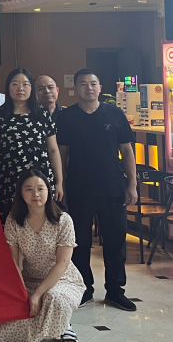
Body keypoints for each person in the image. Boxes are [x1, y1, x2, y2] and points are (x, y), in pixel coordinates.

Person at [55, 69, 138, 311]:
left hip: (112, 187)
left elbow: (127, 151)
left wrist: (132, 184)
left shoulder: (115, 114)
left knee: (115, 241)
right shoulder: (67, 117)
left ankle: (115, 291)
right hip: (78, 188)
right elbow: (62, 154)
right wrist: (61, 184)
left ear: (100, 87)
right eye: (83, 84)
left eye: (93, 83)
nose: (88, 88)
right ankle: (84, 289)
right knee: (79, 242)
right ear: (76, 89)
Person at [0, 169, 85, 342]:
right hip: (30, 279)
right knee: (6, 319)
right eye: (29, 189)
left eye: (40, 189)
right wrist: (22, 292)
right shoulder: (13, 221)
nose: (35, 194)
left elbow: (62, 264)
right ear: (21, 193)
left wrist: (37, 294)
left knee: (54, 298)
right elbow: (14, 262)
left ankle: (64, 327)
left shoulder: (63, 220)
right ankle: (52, 323)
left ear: (48, 191)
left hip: (62, 280)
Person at [0, 68, 64, 223]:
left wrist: (59, 182)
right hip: (8, 178)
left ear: (31, 88)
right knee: (11, 223)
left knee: (42, 221)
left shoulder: (42, 114)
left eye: (25, 84)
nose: (20, 88)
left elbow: (53, 150)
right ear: (8, 87)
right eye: (15, 84)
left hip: (40, 177)